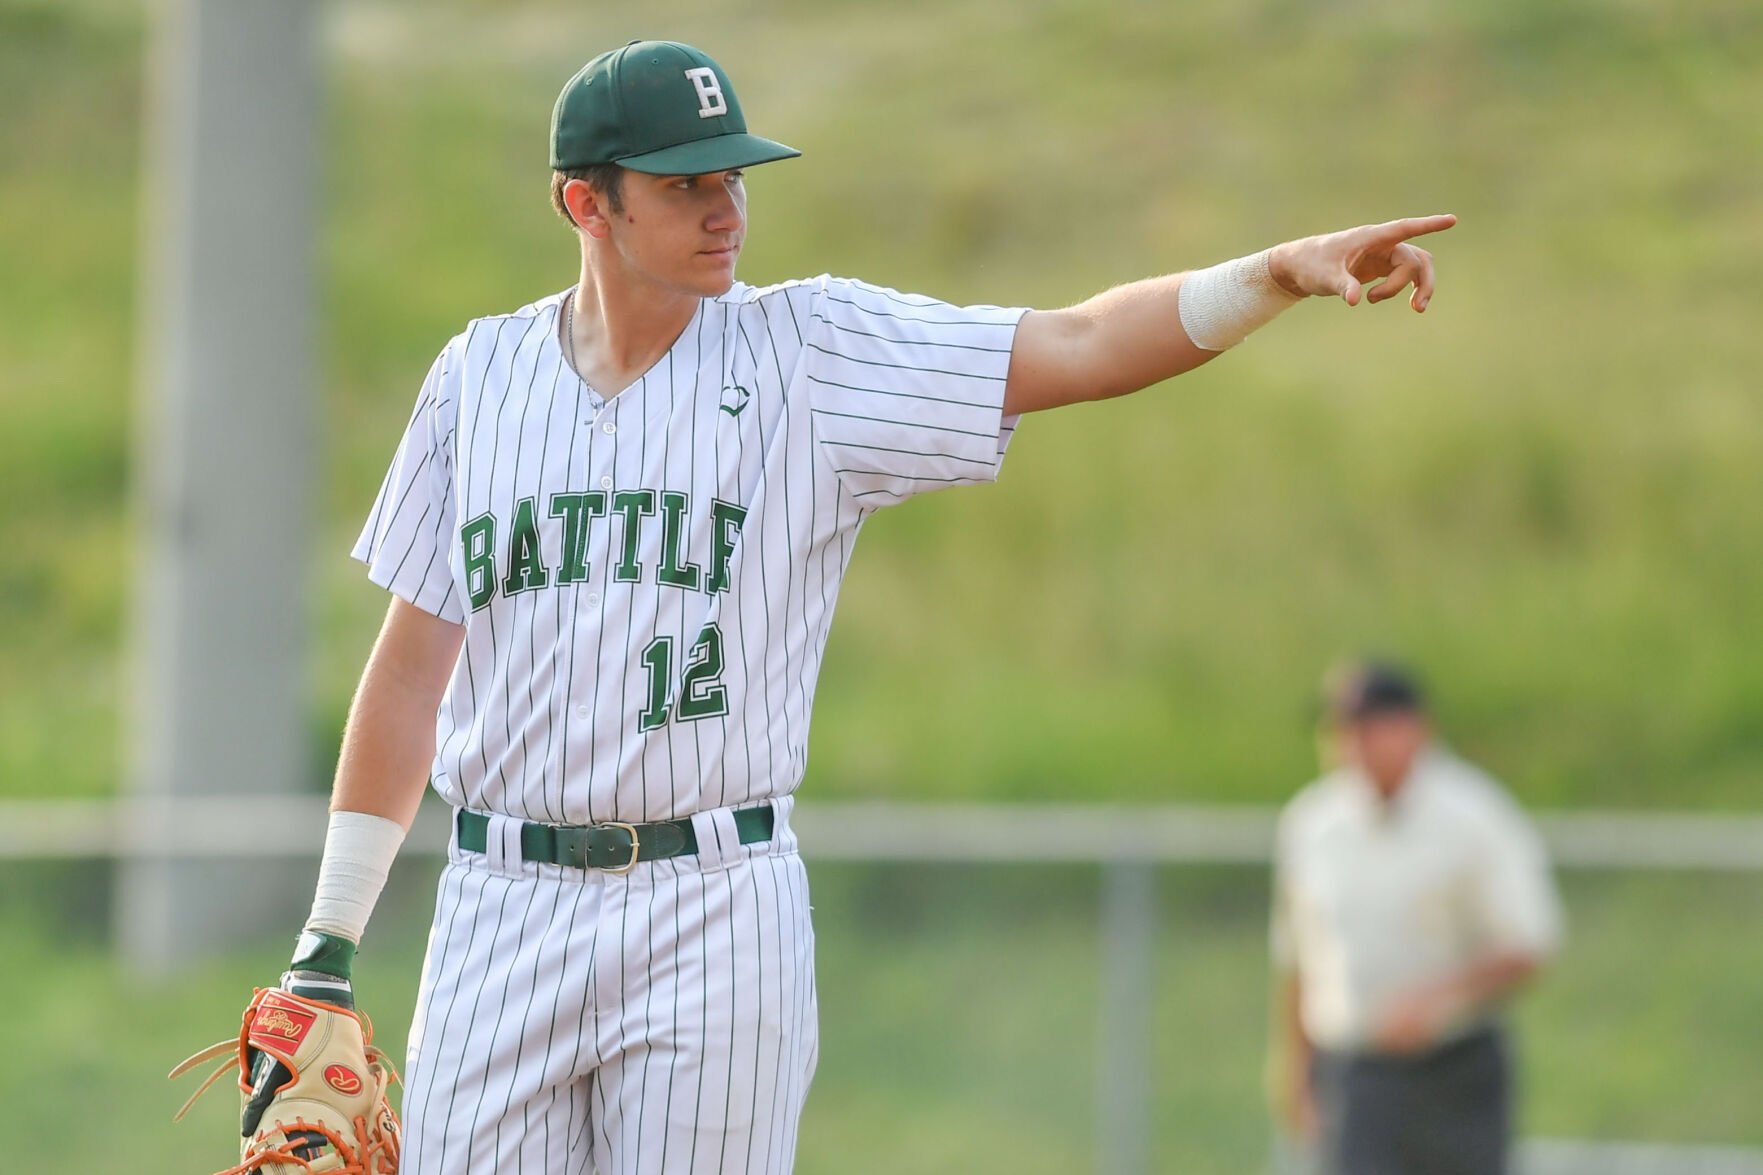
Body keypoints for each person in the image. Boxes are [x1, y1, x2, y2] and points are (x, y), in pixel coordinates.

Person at [205, 38, 1458, 1175]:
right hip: (500, 899)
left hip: (710, 898)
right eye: (685, 183)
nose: (725, 208)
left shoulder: (809, 355)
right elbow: (412, 669)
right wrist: (326, 937)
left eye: (733, 178)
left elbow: (1073, 341)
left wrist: (1274, 274)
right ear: (585, 201)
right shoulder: (476, 378)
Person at [1269, 661, 1563, 1175]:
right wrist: (1295, 1068)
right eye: (1339, 729)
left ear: (1414, 728)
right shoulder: (1313, 825)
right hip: (1356, 1072)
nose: (1350, 743)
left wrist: (1437, 999)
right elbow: (1299, 955)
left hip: (1453, 1070)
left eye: (1366, 727)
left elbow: (1527, 943)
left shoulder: (1474, 817)